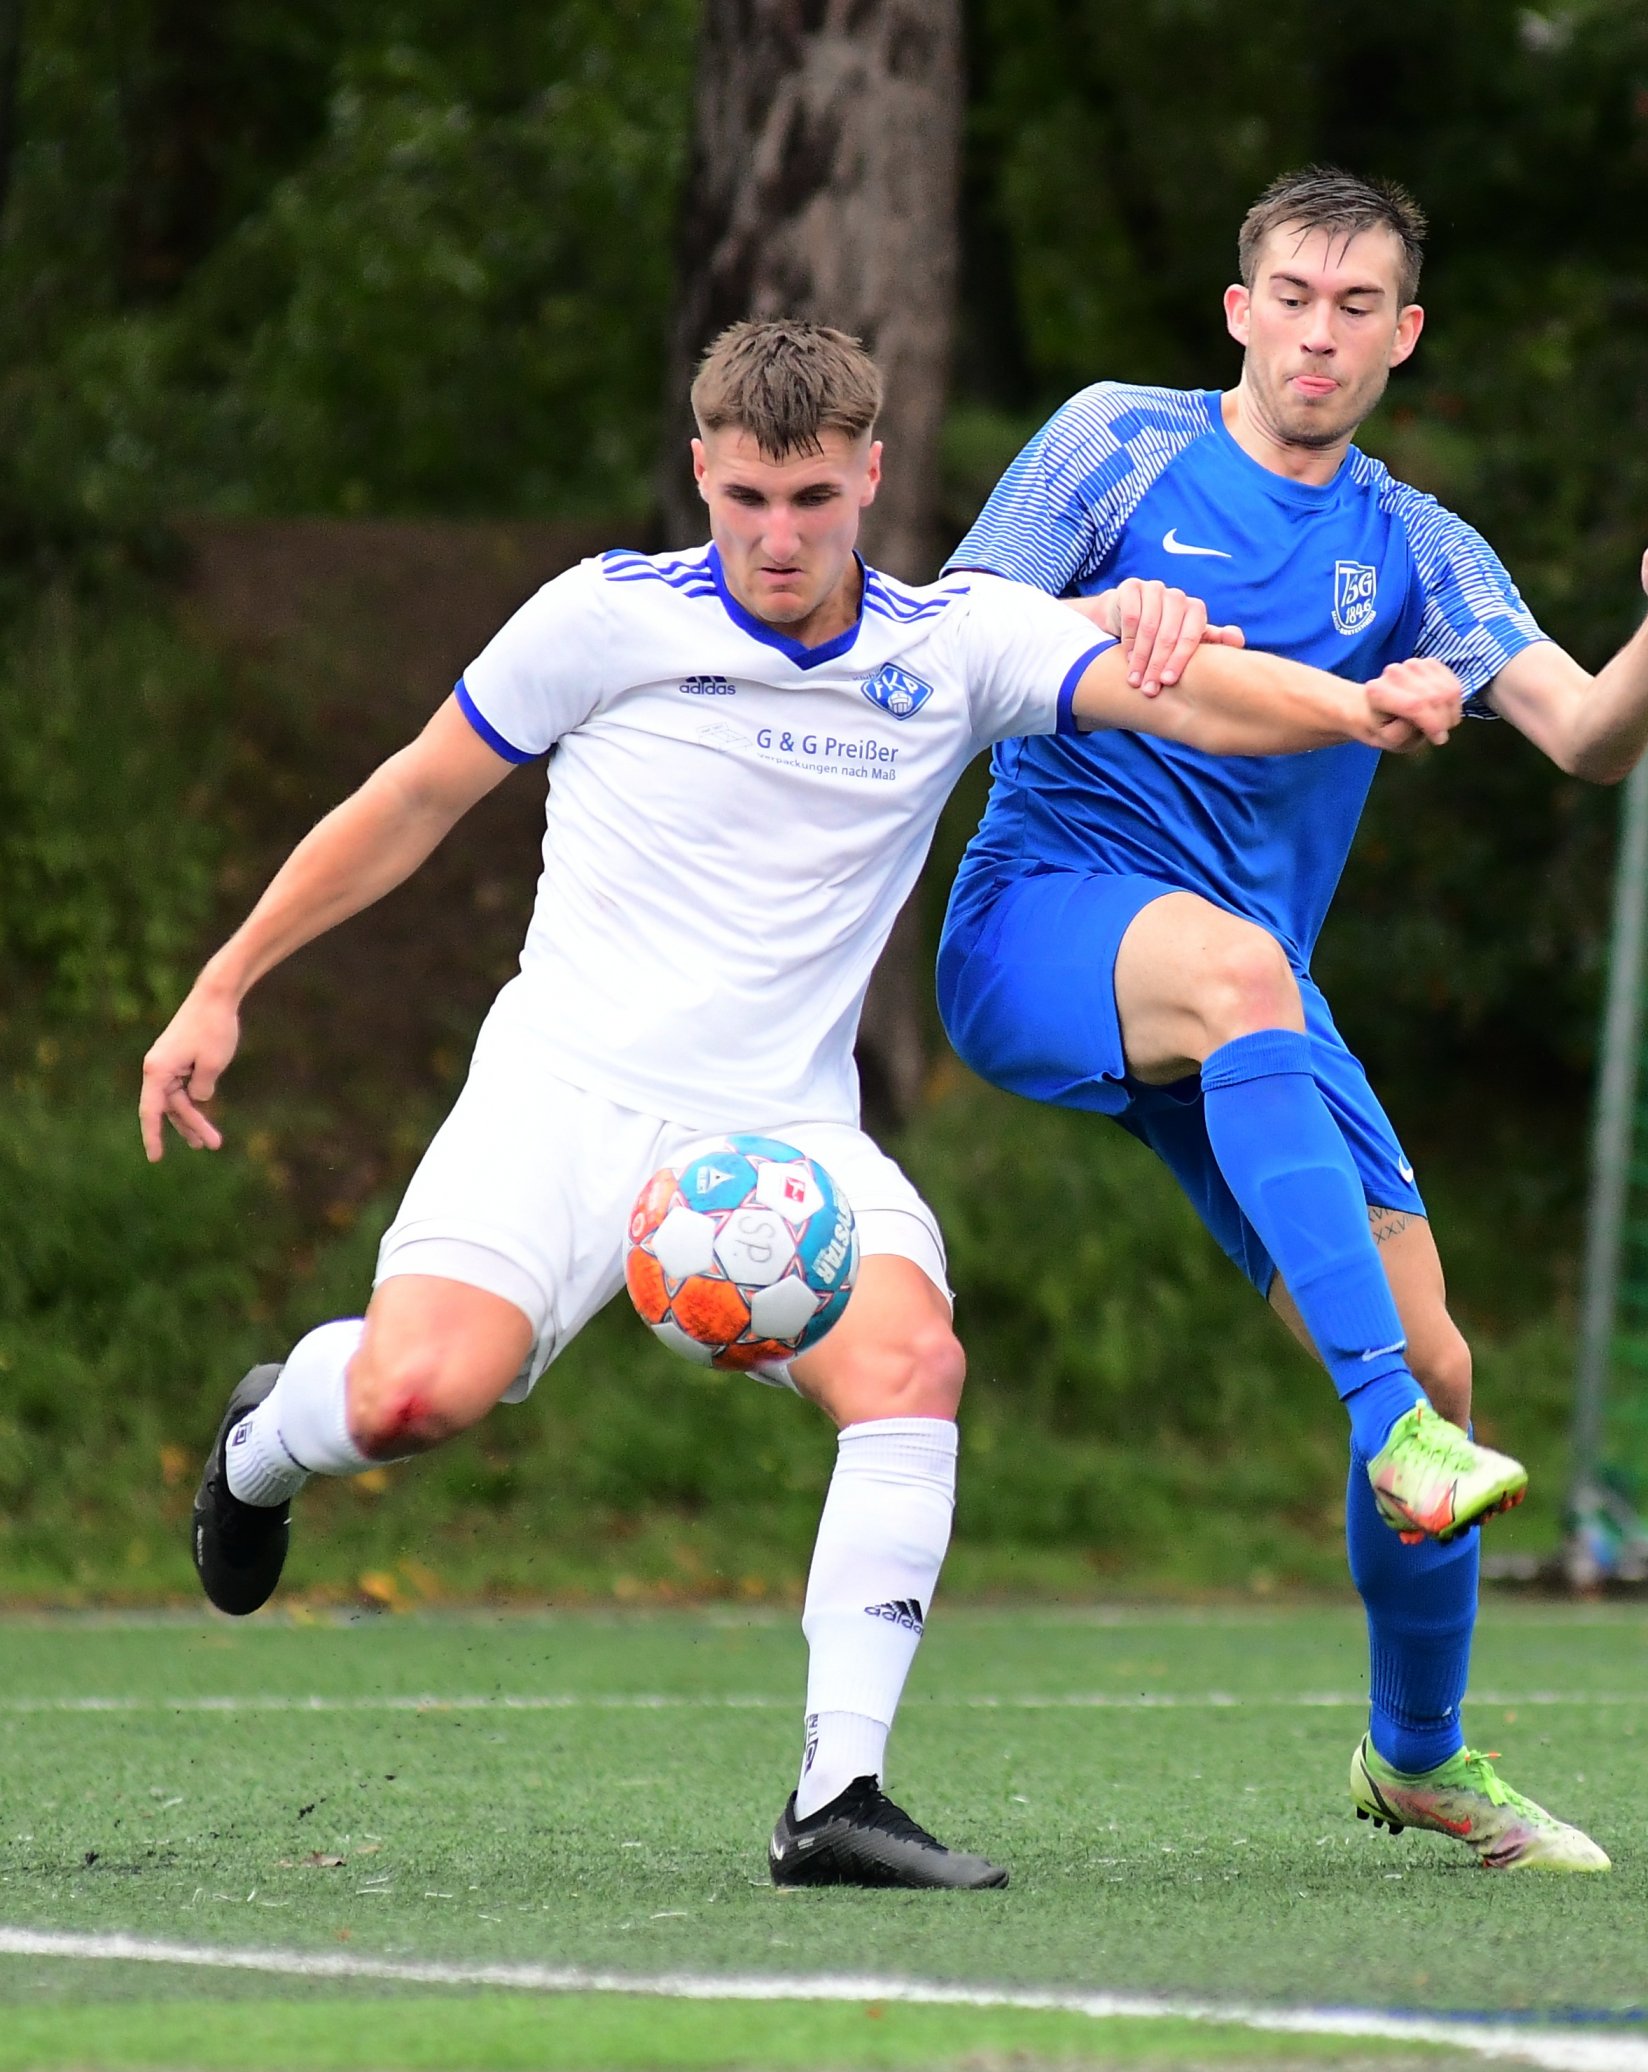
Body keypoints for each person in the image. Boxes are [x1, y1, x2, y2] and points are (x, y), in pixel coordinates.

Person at [141, 318, 1463, 1893]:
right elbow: (411, 799)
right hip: (559, 1099)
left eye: (815, 499)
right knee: (417, 1400)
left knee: (913, 1365)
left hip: (782, 1139)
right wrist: (226, 981)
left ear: (874, 482)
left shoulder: (955, 640)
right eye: (749, 497)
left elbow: (1184, 695)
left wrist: (1362, 706)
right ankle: (260, 1444)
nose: (780, 536)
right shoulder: (598, 619)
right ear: (702, 473)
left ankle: (839, 1793)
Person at [936, 166, 1648, 1872]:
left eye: (1357, 306)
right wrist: (1106, 618)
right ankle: (1396, 1431)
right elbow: (952, 642)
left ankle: (1420, 1756)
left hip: (1251, 1003)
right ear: (1240, 310)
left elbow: (1589, 737)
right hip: (1044, 921)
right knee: (1252, 1005)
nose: (1321, 331)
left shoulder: (1418, 546)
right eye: (1293, 297)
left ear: (1404, 336)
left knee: (1443, 1349)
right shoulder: (1113, 444)